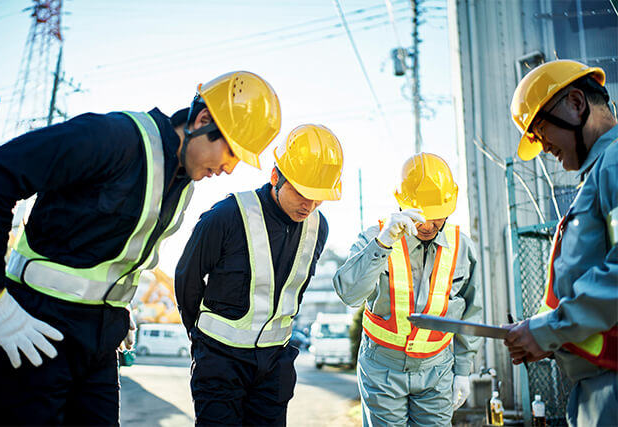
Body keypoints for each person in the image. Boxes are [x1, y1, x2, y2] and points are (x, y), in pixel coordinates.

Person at [0, 70, 281, 426]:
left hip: (100, 342)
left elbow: (114, 252)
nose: (229, 168)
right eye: (230, 151)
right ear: (201, 120)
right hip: (35, 327)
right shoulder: (114, 138)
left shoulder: (182, 182)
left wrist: (117, 306)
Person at [175, 124, 344, 426]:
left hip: (274, 366)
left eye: (319, 197)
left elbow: (297, 290)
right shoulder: (226, 216)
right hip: (220, 360)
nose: (310, 204)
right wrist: (198, 335)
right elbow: (187, 276)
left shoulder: (320, 227)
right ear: (276, 176)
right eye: (302, 193)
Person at [333, 152, 483, 426]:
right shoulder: (375, 237)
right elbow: (349, 294)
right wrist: (382, 244)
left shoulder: (463, 248)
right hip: (382, 368)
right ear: (401, 203)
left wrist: (463, 370)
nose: (427, 225)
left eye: (436, 216)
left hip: (437, 369)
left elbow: (471, 314)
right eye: (421, 216)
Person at [505, 59, 617, 426]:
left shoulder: (615, 163)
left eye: (540, 129)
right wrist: (547, 333)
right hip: (597, 385)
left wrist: (548, 329)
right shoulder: (599, 174)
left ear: (575, 102)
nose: (542, 146)